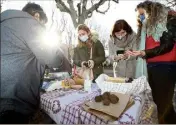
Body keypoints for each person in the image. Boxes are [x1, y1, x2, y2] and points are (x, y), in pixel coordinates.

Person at [0, 3, 71, 124]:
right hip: (16, 101)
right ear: (37, 16)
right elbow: (52, 57)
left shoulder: (5, 24)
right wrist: (65, 62)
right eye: (42, 24)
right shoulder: (28, 22)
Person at [127, 1, 176, 123]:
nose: (141, 17)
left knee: (164, 104)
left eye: (143, 14)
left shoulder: (168, 18)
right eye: (139, 15)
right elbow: (146, 46)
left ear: (152, 10)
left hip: (165, 66)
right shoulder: (146, 26)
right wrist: (134, 52)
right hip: (151, 65)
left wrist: (144, 53)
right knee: (160, 103)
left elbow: (168, 45)